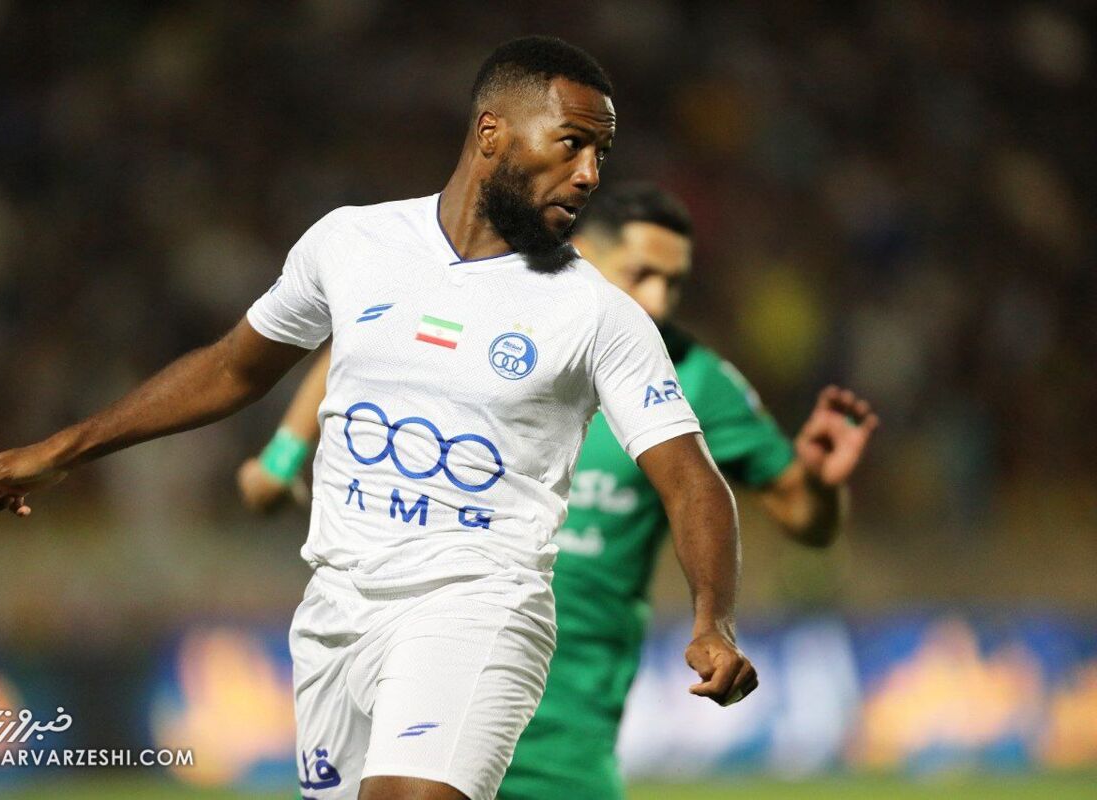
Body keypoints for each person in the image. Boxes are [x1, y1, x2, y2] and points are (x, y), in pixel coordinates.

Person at [0, 38, 757, 800]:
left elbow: (691, 480)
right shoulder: (352, 243)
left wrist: (712, 621)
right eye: (572, 144)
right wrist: (60, 452)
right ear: (491, 133)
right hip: (336, 610)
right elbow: (233, 368)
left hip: (477, 603)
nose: (588, 175)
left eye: (601, 154)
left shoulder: (598, 315)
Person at [238, 183, 878, 799]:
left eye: (674, 282)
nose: (657, 300)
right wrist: (283, 455)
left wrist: (820, 485)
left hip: (564, 734)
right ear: (586, 255)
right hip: (418, 678)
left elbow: (805, 517)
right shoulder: (501, 312)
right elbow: (365, 336)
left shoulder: (695, 379)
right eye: (641, 274)